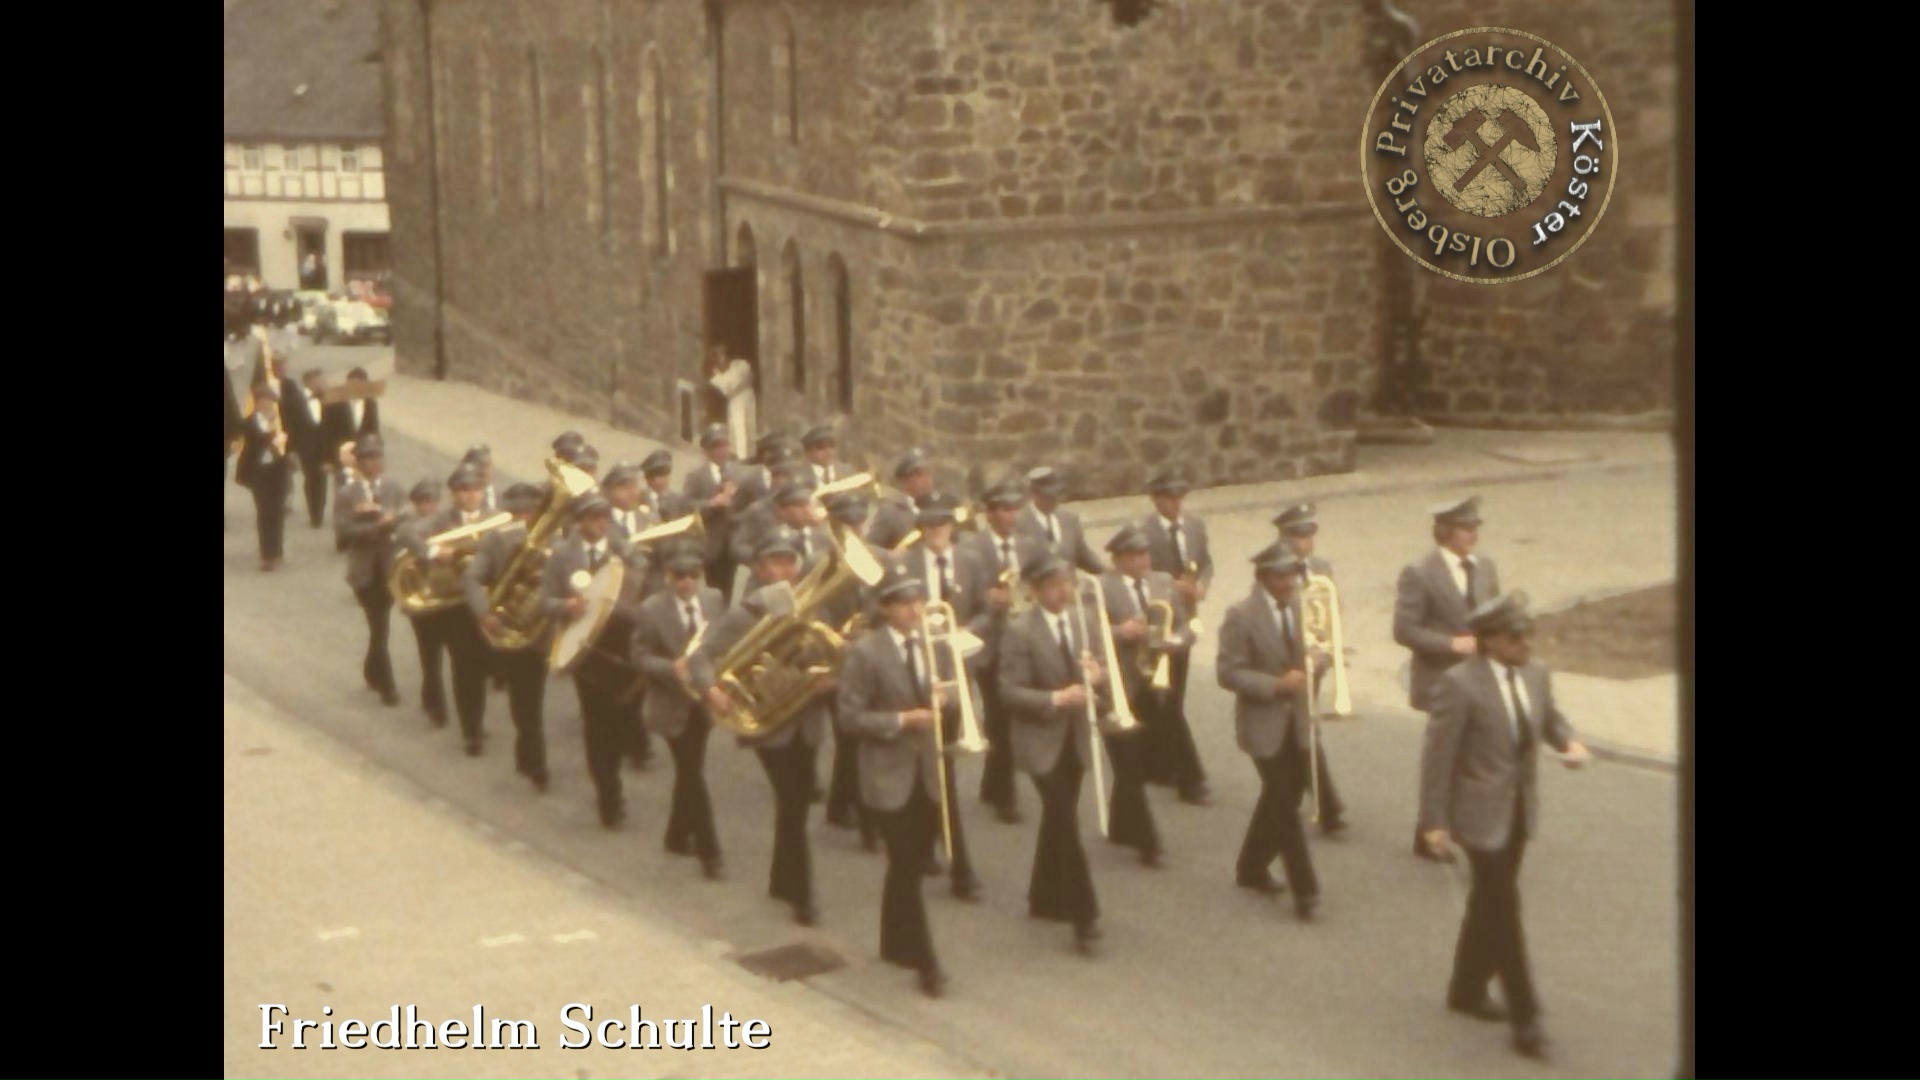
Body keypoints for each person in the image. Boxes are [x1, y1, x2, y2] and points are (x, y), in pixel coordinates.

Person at [1419, 591, 1590, 1060]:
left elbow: (1549, 718)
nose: (1526, 644)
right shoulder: (1459, 684)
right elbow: (1438, 757)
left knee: (1488, 902)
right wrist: (1433, 822)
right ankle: (1526, 1016)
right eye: (1516, 637)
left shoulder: (1535, 674)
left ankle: (1466, 989)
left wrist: (1569, 742)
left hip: (1518, 810)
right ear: (1490, 641)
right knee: (1503, 908)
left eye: (1528, 634)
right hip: (1477, 814)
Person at [836, 567, 984, 997]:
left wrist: (946, 698)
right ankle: (926, 962)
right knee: (907, 862)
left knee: (904, 866)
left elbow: (961, 687)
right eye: (904, 603)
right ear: (885, 609)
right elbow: (849, 717)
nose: (915, 610)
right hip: (887, 774)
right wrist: (901, 720)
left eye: (918, 600)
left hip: (928, 771)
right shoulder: (866, 653)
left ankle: (892, 940)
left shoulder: (933, 643)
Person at [688, 535, 833, 926]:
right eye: (773, 563)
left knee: (796, 805)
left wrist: (827, 681)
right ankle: (803, 895)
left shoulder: (813, 609)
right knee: (791, 800)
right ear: (758, 569)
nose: (782, 571)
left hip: (806, 720)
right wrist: (711, 689)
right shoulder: (743, 615)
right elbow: (700, 656)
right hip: (767, 724)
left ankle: (781, 880)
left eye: (788, 563)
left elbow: (831, 658)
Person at [995, 555, 1112, 954]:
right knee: (1065, 821)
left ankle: (1042, 897)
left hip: (1075, 737)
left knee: (1057, 818)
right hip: (1039, 738)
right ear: (1036, 590)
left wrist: (1097, 675)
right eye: (1054, 585)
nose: (1064, 592)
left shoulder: (1084, 620)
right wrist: (1056, 697)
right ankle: (1085, 916)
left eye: (1067, 583)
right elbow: (1008, 690)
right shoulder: (1020, 630)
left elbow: (1103, 666)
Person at [1216, 543, 1321, 921]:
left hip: (1296, 720)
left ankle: (1251, 866)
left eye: (1292, 574)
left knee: (1285, 796)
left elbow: (1318, 649)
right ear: (1262, 578)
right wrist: (1276, 685)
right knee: (1283, 800)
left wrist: (1317, 661)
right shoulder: (1240, 616)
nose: (1289, 582)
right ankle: (1305, 888)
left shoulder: (1298, 606)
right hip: (1262, 723)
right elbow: (1228, 672)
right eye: (1280, 576)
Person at [1396, 495, 1501, 858]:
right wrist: (1451, 644)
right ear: (1444, 531)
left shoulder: (1485, 568)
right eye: (1465, 527)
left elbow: (1495, 616)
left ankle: (1446, 826)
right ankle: (1430, 832)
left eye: (1475, 527)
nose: (1473, 534)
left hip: (1480, 680)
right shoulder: (1420, 573)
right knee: (1442, 758)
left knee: (1471, 757)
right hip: (1442, 680)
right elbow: (1405, 630)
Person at [541, 492, 646, 827]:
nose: (600, 524)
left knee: (624, 712)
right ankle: (608, 795)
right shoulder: (561, 556)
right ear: (579, 522)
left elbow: (644, 582)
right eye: (593, 518)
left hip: (623, 641)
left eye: (604, 518)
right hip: (585, 649)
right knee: (597, 725)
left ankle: (622, 756)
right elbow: (543, 601)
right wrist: (565, 607)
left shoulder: (621, 548)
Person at [631, 544, 727, 878]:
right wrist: (672, 668)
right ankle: (709, 851)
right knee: (692, 773)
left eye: (693, 576)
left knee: (690, 769)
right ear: (668, 577)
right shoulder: (651, 609)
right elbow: (639, 656)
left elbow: (721, 644)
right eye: (679, 576)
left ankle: (675, 835)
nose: (687, 583)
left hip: (702, 702)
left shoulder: (714, 600)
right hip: (671, 704)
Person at [964, 479, 1046, 824]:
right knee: (998, 718)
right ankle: (1005, 795)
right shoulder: (972, 548)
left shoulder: (1030, 544)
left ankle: (992, 783)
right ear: (989, 514)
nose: (1011, 516)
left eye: (1014, 509)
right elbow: (965, 591)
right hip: (989, 643)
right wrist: (987, 598)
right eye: (1004, 510)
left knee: (1010, 718)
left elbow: (1046, 579)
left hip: (1022, 642)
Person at [464, 482, 553, 786]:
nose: (524, 518)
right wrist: (484, 614)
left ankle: (530, 755)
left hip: (542, 629)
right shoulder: (494, 541)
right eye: (518, 513)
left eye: (529, 513)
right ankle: (534, 761)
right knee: (523, 701)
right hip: (510, 627)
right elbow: (473, 578)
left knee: (533, 700)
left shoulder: (553, 540)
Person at [1095, 525, 1174, 866]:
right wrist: (1119, 631)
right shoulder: (1099, 588)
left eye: (1146, 553)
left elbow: (1183, 625)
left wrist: (1174, 639)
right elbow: (1087, 627)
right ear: (1118, 560)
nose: (1144, 560)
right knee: (1126, 762)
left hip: (1151, 682)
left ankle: (1119, 825)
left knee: (1140, 762)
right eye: (1135, 555)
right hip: (1117, 684)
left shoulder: (1162, 582)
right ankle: (1148, 841)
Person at [1139, 466, 1214, 805]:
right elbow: (1139, 572)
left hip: (1187, 618)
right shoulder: (1143, 531)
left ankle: (1157, 763)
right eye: (1169, 497)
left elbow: (1207, 562)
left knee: (1173, 697)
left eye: (1179, 496)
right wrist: (1172, 585)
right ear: (1156, 499)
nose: (1176, 503)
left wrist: (1200, 586)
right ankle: (1190, 775)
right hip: (1158, 619)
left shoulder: (1195, 525)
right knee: (1166, 700)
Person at [1273, 503, 1348, 834]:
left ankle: (1308, 798)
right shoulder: (1274, 570)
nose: (1305, 542)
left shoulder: (1321, 568)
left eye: (1309, 534)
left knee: (1302, 728)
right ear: (1284, 537)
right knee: (1303, 729)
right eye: (1298, 535)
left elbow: (1331, 609)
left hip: (1316, 660)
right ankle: (1327, 805)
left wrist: (1328, 650)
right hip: (1288, 662)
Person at [823, 491, 882, 849]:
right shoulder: (825, 564)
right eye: (850, 525)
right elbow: (817, 613)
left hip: (864, 656)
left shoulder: (872, 561)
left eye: (860, 524)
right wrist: (840, 636)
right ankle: (861, 818)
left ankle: (841, 805)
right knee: (849, 739)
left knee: (854, 741)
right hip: (838, 659)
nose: (857, 531)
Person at [334, 435, 408, 707]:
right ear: (359, 463)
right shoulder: (347, 494)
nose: (373, 464)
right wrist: (376, 526)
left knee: (380, 626)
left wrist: (394, 520)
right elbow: (343, 531)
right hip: (364, 571)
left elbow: (406, 516)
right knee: (379, 625)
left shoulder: (393, 487)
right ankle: (388, 687)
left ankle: (372, 669)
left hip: (389, 567)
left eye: (377, 458)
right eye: (367, 459)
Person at [394, 475, 452, 727]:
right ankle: (434, 704)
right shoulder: (408, 527)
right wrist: (434, 551)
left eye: (432, 501)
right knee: (430, 657)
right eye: (423, 501)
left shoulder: (446, 522)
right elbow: (411, 540)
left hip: (446, 597)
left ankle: (432, 699)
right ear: (416, 503)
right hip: (422, 599)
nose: (428, 506)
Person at [234, 383, 293, 571]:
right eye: (265, 401)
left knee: (277, 511)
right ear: (257, 402)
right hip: (259, 472)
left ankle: (277, 550)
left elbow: (290, 440)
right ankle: (267, 554)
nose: (268, 405)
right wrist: (273, 432)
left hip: (278, 469)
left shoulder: (279, 419)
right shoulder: (251, 421)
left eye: (271, 401)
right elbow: (260, 439)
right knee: (265, 511)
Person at [683, 424, 744, 596]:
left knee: (728, 587)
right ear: (707, 451)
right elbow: (686, 506)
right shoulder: (696, 476)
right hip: (709, 543)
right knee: (712, 590)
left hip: (731, 542)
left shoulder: (738, 473)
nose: (721, 451)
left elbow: (747, 503)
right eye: (716, 446)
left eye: (724, 445)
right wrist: (711, 503)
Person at [1018, 467, 1105, 574]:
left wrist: (1107, 570)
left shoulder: (1069, 520)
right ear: (1033, 494)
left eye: (1057, 493)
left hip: (1068, 587)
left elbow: (1084, 556)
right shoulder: (1018, 523)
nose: (1054, 499)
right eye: (1047, 495)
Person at [285, 369, 332, 528]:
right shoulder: (296, 400)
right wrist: (290, 449)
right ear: (308, 382)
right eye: (318, 380)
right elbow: (291, 426)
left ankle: (318, 513)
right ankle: (314, 513)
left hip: (325, 446)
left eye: (322, 380)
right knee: (311, 479)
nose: (322, 383)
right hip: (306, 447)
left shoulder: (331, 399)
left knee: (322, 480)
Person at [868, 449, 938, 552]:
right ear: (904, 481)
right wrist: (893, 558)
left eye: (927, 473)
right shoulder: (890, 512)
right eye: (919, 475)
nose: (926, 480)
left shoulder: (939, 508)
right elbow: (869, 548)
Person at [709, 345, 758, 460]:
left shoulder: (740, 364)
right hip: (735, 401)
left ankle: (750, 455)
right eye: (717, 358)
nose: (720, 360)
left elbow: (747, 378)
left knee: (749, 426)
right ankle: (741, 457)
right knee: (736, 428)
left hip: (747, 397)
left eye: (721, 356)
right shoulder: (717, 375)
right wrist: (733, 387)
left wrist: (735, 387)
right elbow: (727, 390)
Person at [799, 425, 842, 489]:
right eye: (821, 447)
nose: (828, 451)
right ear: (808, 452)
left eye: (832, 445)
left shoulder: (848, 473)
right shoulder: (800, 477)